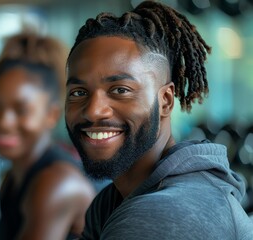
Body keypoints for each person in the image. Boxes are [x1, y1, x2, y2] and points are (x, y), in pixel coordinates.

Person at [64, 1, 253, 239]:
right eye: (78, 93)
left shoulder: (163, 214)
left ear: (165, 100)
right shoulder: (111, 202)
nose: (93, 111)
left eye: (120, 90)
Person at [0, 33, 95, 240]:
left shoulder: (57, 183)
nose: (3, 122)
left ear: (51, 115)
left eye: (21, 110)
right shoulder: (12, 179)